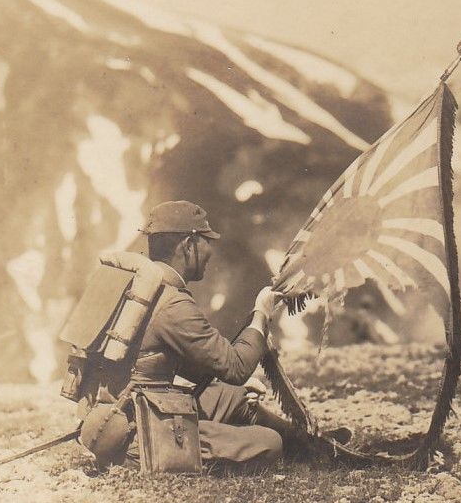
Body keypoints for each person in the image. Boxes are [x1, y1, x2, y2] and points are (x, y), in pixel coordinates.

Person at [101, 201, 345, 470]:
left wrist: (234, 382)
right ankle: (297, 448)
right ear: (189, 245)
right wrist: (261, 314)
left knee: (233, 396)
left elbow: (154, 356)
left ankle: (309, 445)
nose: (210, 252)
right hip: (141, 434)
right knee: (268, 443)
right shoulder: (172, 304)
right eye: (207, 241)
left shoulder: (141, 288)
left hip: (120, 416)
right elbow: (236, 367)